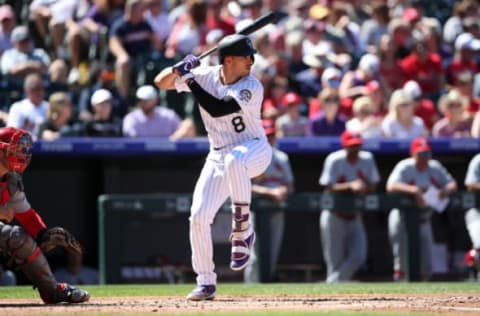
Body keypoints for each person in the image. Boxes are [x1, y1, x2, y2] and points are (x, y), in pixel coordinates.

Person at [154, 33, 272, 301]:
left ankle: (242, 230)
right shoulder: (207, 74)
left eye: (252, 56)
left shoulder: (251, 85)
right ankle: (206, 282)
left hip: (254, 149)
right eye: (246, 56)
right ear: (228, 59)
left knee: (236, 159)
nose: (252, 61)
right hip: (218, 156)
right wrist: (178, 68)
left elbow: (218, 108)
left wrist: (191, 78)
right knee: (198, 216)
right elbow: (160, 83)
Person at [0, 126, 89, 303]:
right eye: (15, 149)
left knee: (15, 254)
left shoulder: (11, 180)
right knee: (13, 234)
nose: (21, 155)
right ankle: (52, 290)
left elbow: (26, 213)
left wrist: (43, 233)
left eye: (22, 150)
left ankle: (52, 291)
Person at [386, 137, 457, 281]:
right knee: (402, 260)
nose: (424, 157)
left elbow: (452, 184)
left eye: (427, 153)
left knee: (427, 264)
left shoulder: (435, 167)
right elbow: (391, 186)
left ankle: (422, 298)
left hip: (424, 219)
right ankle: (400, 293)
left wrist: (445, 190)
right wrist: (413, 190)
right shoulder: (405, 166)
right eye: (421, 154)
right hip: (402, 217)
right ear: (413, 154)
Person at [318, 131, 380, 283]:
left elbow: (374, 184)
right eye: (351, 146)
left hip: (355, 215)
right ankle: (334, 290)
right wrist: (350, 185)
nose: (355, 149)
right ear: (344, 146)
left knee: (359, 256)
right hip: (334, 216)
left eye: (357, 145)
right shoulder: (334, 159)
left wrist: (364, 187)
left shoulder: (367, 159)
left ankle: (331, 283)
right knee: (335, 262)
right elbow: (327, 186)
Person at [244, 121, 294, 283]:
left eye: (271, 135)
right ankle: (249, 290)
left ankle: (263, 293)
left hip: (276, 209)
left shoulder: (281, 157)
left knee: (272, 253)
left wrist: (284, 191)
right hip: (255, 211)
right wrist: (269, 192)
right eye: (266, 136)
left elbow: (290, 185)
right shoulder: (250, 157)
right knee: (254, 254)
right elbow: (243, 186)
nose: (269, 139)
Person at [123, 85, 196, 139]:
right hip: (139, 157)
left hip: (168, 156)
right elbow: (133, 141)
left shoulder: (167, 115)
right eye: (140, 100)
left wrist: (171, 141)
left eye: (147, 100)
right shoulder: (131, 118)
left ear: (155, 100)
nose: (143, 103)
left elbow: (186, 127)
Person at [464, 154, 480, 280]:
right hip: (476, 210)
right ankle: (474, 273)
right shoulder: (478, 160)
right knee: (479, 244)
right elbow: (470, 184)